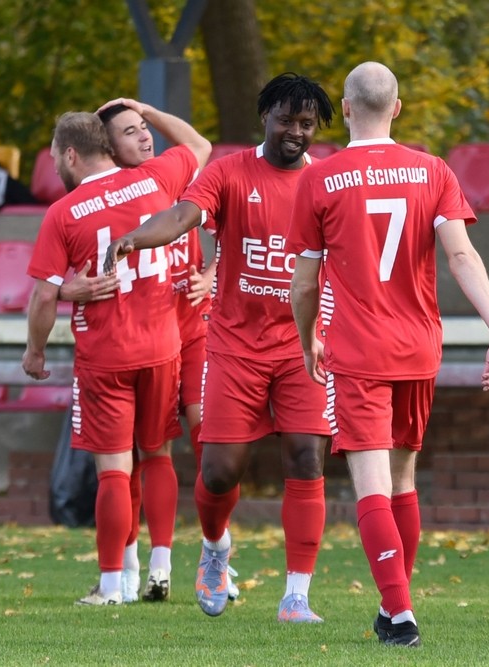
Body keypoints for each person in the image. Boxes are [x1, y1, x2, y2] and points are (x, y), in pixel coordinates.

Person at [286, 61, 489, 647]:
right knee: (404, 478)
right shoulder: (433, 170)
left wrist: (308, 338)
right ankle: (394, 607)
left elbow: (304, 284)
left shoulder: (319, 178)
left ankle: (401, 614)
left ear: (345, 108)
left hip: (359, 349)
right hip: (418, 348)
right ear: (398, 108)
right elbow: (461, 256)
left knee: (372, 486)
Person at [103, 73, 336, 621]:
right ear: (265, 117)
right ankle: (214, 548)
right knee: (219, 473)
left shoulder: (326, 181)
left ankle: (296, 596)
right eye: (286, 120)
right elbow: (181, 216)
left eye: (306, 123)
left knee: (307, 458)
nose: (295, 132)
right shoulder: (229, 172)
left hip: (304, 346)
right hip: (235, 346)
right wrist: (136, 237)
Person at [23, 107, 209, 605]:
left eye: (56, 159)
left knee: (113, 469)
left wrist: (35, 351)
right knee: (157, 455)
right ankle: (161, 566)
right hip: (163, 345)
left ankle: (111, 585)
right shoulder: (155, 179)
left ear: (70, 155)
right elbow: (198, 146)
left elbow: (43, 296)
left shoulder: (63, 213)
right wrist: (149, 111)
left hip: (106, 354)